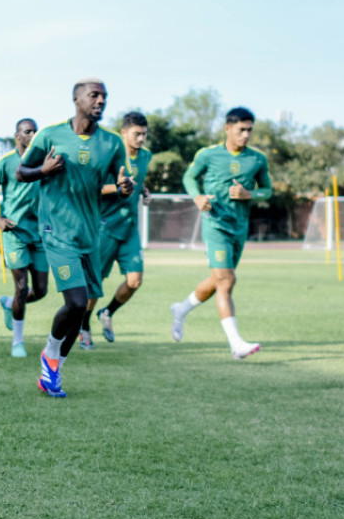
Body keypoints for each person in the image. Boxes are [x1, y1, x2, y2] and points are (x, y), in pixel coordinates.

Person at [16, 79, 132, 398]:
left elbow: (118, 185)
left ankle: (54, 369)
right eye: (94, 95)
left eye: (104, 97)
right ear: (76, 99)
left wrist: (124, 188)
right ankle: (50, 352)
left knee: (80, 311)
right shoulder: (50, 135)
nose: (101, 101)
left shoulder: (111, 143)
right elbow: (21, 173)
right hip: (56, 232)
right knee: (77, 301)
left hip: (89, 235)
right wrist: (44, 170)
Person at [170, 107, 271, 359]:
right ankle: (236, 344)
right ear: (228, 128)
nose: (246, 135)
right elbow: (189, 177)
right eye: (241, 130)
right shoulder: (208, 155)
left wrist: (251, 194)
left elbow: (267, 190)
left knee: (219, 280)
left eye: (249, 130)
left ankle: (181, 309)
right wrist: (197, 197)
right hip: (215, 224)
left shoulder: (257, 159)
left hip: (240, 227)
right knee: (227, 280)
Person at [0, 118, 46, 357]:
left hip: (39, 235)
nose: (32, 135)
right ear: (17, 136)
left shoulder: (44, 163)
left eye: (35, 132)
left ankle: (9, 304)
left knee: (40, 291)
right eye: (27, 132)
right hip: (14, 233)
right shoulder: (6, 162)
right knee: (22, 287)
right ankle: (17, 342)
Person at [88, 112, 152, 347]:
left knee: (135, 281)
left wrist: (144, 191)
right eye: (137, 134)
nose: (141, 139)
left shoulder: (146, 156)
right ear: (123, 133)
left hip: (130, 229)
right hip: (105, 228)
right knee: (95, 285)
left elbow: (139, 179)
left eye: (144, 134)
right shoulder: (110, 155)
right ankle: (83, 324)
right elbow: (93, 188)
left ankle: (107, 313)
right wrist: (117, 187)